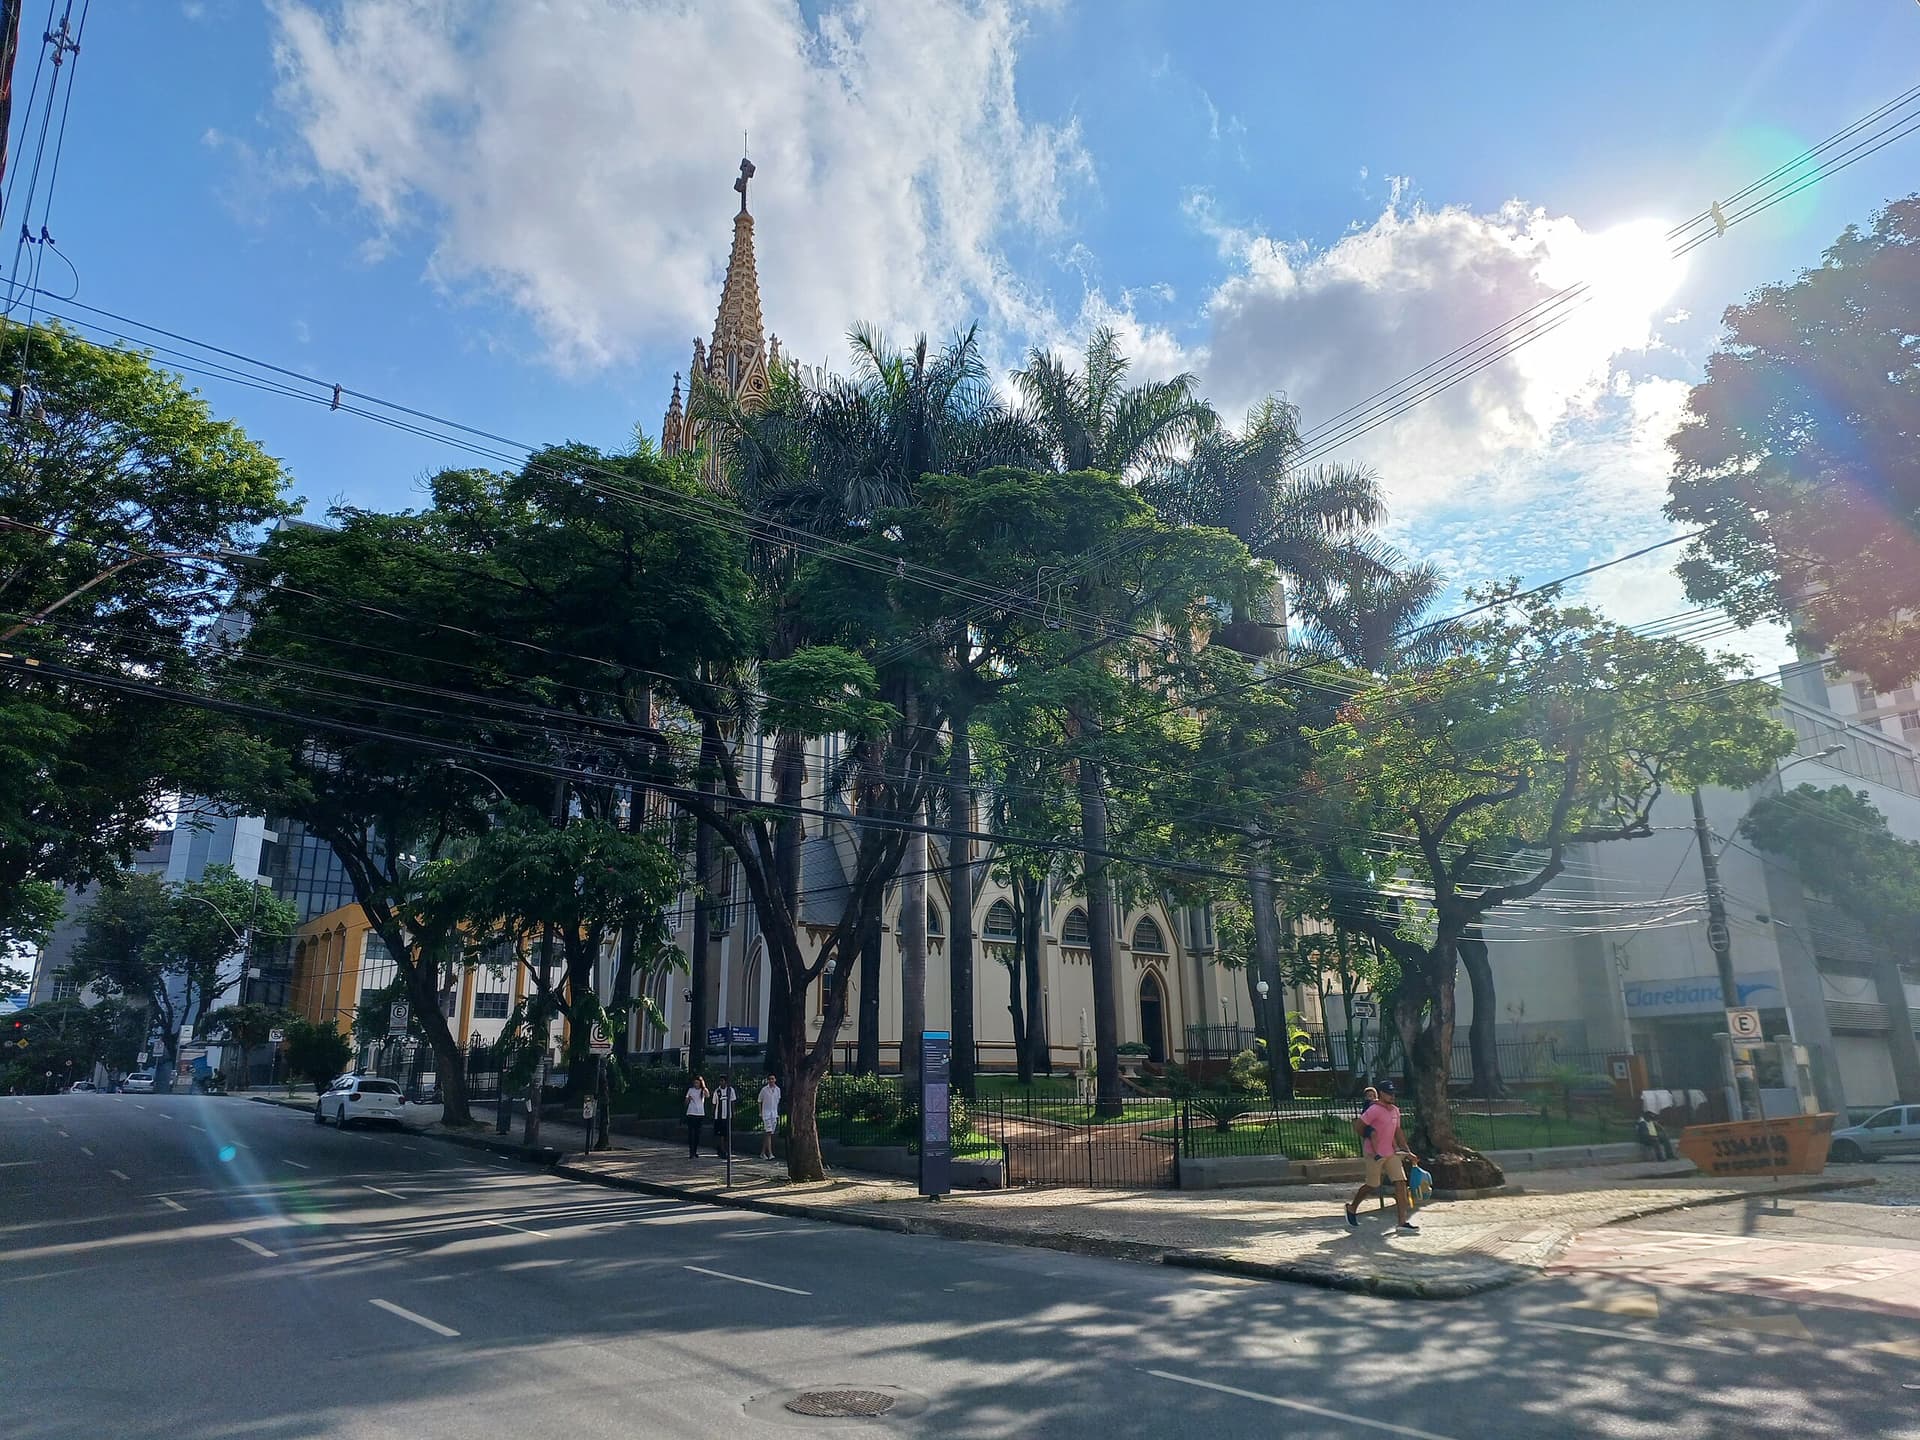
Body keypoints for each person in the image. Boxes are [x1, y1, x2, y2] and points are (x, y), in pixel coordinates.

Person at [1344, 1082, 1419, 1233]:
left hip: (1391, 1153)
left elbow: (1398, 1132)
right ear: (1381, 1093)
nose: (1392, 1096)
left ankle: (1402, 1222)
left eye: (1393, 1093)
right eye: (1388, 1093)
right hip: (1374, 1154)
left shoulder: (1395, 1111)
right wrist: (1368, 1137)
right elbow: (1359, 1126)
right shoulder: (1374, 1110)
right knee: (1372, 1185)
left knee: (1401, 1183)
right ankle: (1352, 1208)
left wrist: (1408, 1151)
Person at [711, 1074, 737, 1158]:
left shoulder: (730, 1090)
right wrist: (713, 1114)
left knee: (726, 1134)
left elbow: (733, 1102)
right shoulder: (717, 1091)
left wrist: (733, 1113)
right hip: (719, 1116)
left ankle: (725, 1149)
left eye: (723, 1081)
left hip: (727, 1116)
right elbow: (714, 1104)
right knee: (721, 1134)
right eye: (720, 1081)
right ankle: (722, 1150)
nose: (721, 1082)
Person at [683, 1075, 708, 1158]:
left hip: (700, 1114)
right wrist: (688, 1099)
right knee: (691, 1133)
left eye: (697, 1083)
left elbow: (708, 1095)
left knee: (697, 1134)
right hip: (691, 1113)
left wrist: (704, 1087)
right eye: (695, 1083)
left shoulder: (702, 1090)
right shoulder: (691, 1090)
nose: (696, 1084)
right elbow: (685, 1102)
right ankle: (691, 1151)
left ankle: (695, 1151)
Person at [758, 1073, 782, 1159]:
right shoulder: (764, 1090)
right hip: (766, 1114)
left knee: (769, 1134)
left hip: (774, 1113)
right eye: (770, 1079)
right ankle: (770, 1153)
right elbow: (759, 1101)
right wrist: (760, 1112)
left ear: (775, 1080)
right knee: (768, 1132)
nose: (771, 1081)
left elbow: (777, 1100)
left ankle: (762, 1153)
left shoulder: (778, 1090)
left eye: (773, 1079)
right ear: (768, 1080)